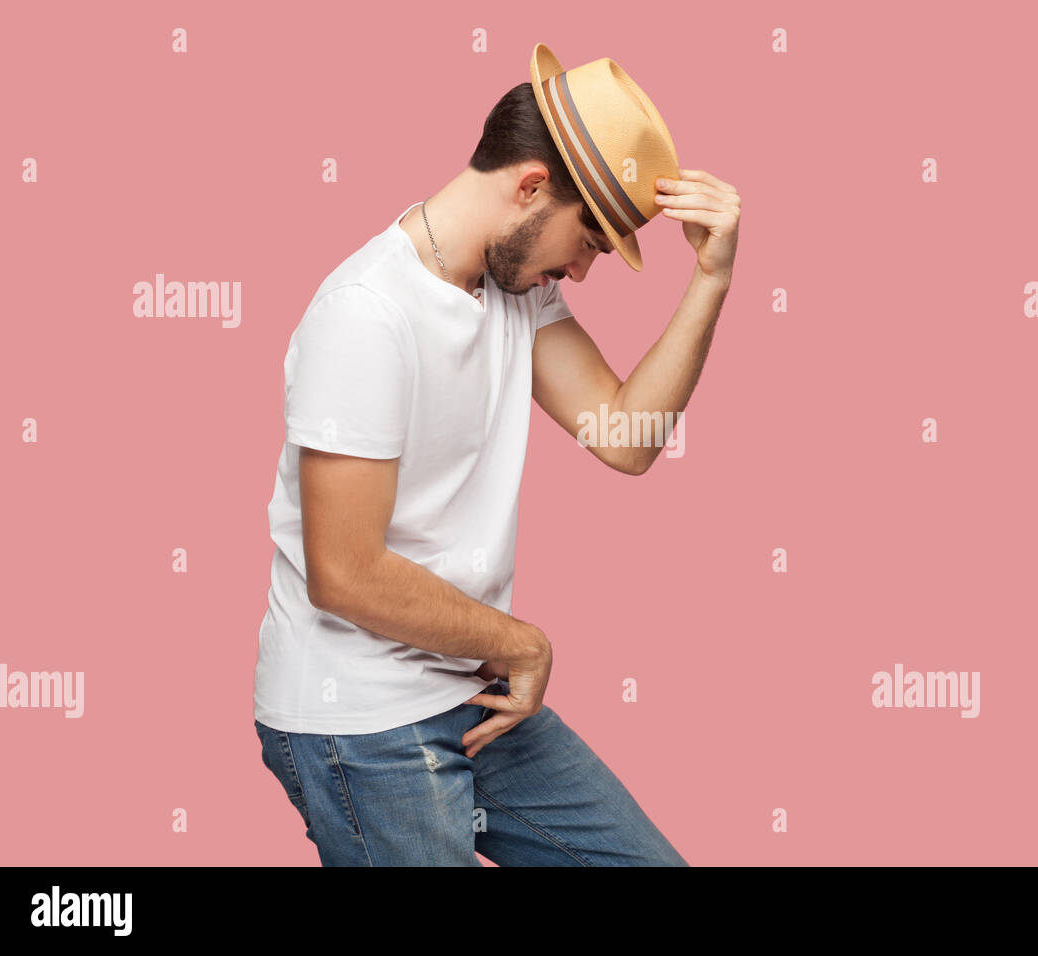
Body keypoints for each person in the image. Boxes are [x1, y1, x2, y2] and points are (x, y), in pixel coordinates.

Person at [252, 43, 740, 866]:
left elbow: (625, 439)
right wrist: (523, 644)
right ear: (529, 186)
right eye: (589, 239)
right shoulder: (366, 317)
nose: (585, 270)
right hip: (360, 720)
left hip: (475, 697)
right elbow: (344, 571)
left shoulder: (515, 290)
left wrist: (711, 280)